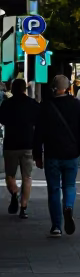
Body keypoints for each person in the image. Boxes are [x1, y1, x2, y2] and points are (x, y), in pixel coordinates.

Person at [34, 75, 80, 237]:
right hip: (72, 154)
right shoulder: (77, 105)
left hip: (52, 154)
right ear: (68, 88)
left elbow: (38, 133)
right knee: (69, 185)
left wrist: (37, 154)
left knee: (53, 190)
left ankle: (56, 227)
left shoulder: (45, 106)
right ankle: (68, 206)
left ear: (54, 87)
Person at [0, 78, 39, 220]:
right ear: (24, 89)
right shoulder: (32, 104)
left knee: (10, 175)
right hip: (28, 144)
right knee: (27, 177)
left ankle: (15, 192)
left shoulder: (6, 104)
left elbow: (2, 120)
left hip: (10, 144)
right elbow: (38, 121)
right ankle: (23, 208)